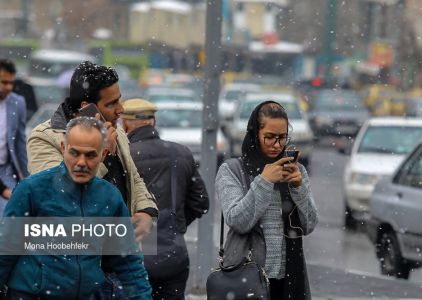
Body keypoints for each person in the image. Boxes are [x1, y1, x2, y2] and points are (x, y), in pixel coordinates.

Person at [26, 61, 158, 299]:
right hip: (73, 268)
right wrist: (102, 151)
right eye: (111, 103)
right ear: (87, 108)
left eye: (120, 99)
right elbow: (57, 196)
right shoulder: (45, 138)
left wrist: (147, 211)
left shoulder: (114, 131)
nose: (121, 109)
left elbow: (134, 178)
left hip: (119, 261)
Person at [0, 117, 152, 299]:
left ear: (103, 154)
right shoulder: (32, 190)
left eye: (90, 155)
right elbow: (6, 250)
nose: (81, 162)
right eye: (75, 153)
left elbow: (127, 260)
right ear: (63, 149)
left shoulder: (109, 196)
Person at [215, 101, 318, 300]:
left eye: (282, 137)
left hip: (290, 280)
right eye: (269, 137)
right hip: (246, 278)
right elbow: (238, 220)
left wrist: (298, 188)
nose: (277, 145)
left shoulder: (296, 171)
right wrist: (265, 180)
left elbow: (310, 224)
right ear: (255, 134)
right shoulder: (232, 170)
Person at [121, 98, 209, 300]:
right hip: (174, 253)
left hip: (135, 254)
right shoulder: (180, 152)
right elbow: (201, 202)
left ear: (124, 124)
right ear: (153, 121)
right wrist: (175, 223)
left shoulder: (123, 156)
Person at [0, 59, 28, 215]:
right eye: (4, 82)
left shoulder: (18, 103)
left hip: (6, 170)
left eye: (11, 83)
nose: (9, 87)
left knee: (10, 212)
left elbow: (20, 143)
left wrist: (27, 179)